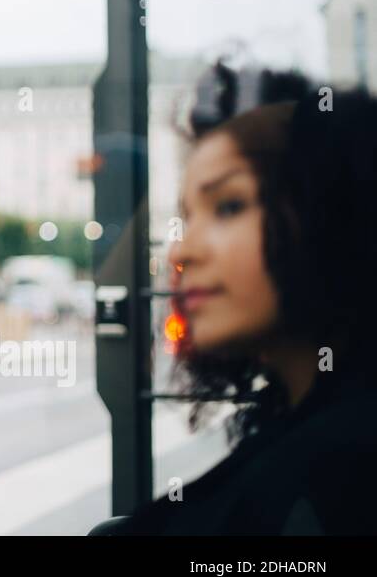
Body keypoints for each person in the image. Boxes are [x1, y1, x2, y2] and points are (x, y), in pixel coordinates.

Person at [118, 73, 377, 534]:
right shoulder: (304, 420)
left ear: (334, 212)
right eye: (187, 216)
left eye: (229, 206)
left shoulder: (345, 465)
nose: (181, 251)